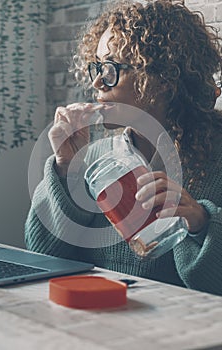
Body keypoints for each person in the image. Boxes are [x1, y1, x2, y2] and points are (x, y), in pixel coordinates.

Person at [25, 0, 222, 295]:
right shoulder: (95, 157)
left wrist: (201, 222)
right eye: (96, 67)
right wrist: (66, 168)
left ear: (164, 78)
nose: (98, 81)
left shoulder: (215, 155)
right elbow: (42, 255)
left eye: (112, 68)